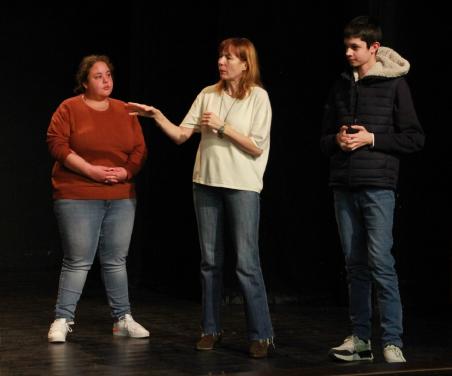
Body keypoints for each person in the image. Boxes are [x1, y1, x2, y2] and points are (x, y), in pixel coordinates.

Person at [126, 37, 274, 358]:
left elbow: (256, 146)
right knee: (210, 263)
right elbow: (182, 134)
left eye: (230, 58)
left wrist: (222, 127)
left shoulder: (258, 97)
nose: (222, 62)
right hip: (205, 183)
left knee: (246, 264)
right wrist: (157, 115)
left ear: (245, 64)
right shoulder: (208, 94)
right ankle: (210, 329)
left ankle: (261, 334)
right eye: (221, 57)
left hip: (242, 186)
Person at [320, 16, 424, 363]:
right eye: (346, 46)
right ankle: (361, 340)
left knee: (381, 262)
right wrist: (336, 139)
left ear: (373, 49)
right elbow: (323, 139)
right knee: (354, 265)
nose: (348, 52)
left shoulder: (395, 85)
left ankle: (392, 340)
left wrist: (372, 138)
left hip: (378, 185)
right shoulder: (340, 86)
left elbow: (414, 138)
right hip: (344, 185)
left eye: (355, 47)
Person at [46, 55, 149, 343]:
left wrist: (126, 171)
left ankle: (122, 318)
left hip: (120, 194)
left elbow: (139, 149)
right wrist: (90, 170)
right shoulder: (69, 108)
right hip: (77, 193)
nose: (106, 80)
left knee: (116, 260)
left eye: (108, 75)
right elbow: (56, 143)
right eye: (98, 76)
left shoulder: (125, 110)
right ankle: (62, 318)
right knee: (78, 260)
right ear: (84, 83)